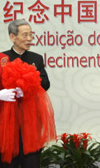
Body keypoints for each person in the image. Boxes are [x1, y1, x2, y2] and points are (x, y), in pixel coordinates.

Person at [1, 19, 51, 167]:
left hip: (31, 123)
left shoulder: (36, 58)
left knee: (32, 161)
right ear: (12, 37)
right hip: (7, 123)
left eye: (31, 34)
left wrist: (30, 87)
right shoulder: (2, 58)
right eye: (25, 35)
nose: (29, 39)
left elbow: (46, 83)